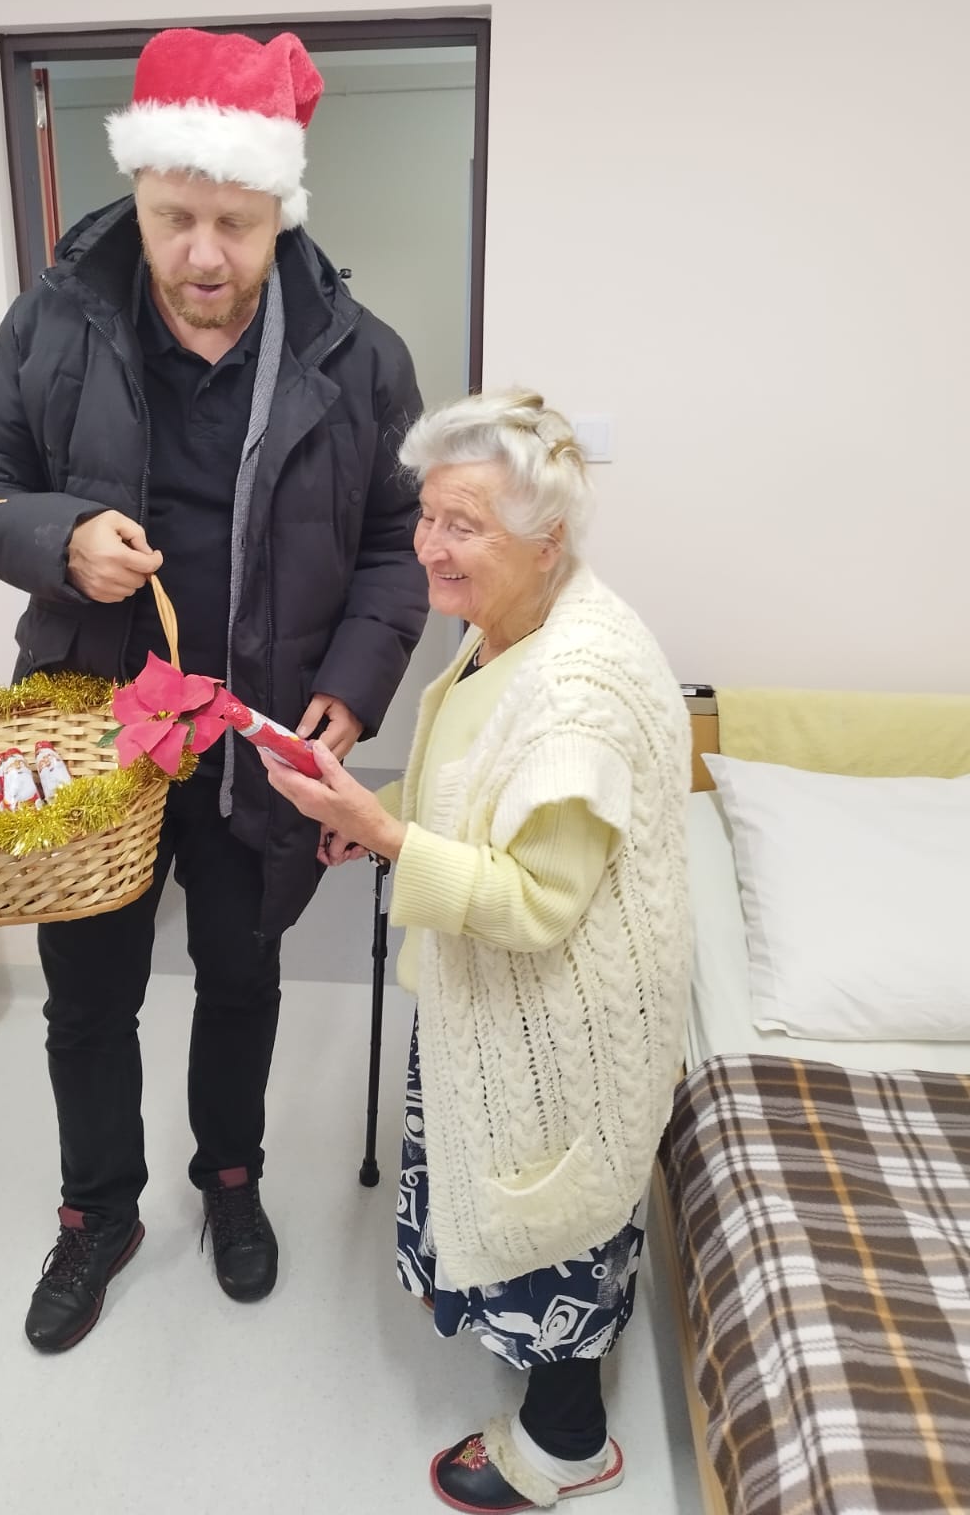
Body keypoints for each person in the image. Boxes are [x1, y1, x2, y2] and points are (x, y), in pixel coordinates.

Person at [0, 28, 427, 1351]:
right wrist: (61, 542)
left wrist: (352, 687)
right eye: (176, 218)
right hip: (95, 733)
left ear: (280, 211)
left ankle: (231, 1177)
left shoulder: (360, 354)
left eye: (236, 223)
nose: (204, 254)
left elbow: (397, 543)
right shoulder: (52, 323)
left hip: (258, 735)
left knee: (242, 970)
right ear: (140, 195)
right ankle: (98, 1213)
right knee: (88, 993)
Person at [262, 390, 692, 1511]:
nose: (429, 546)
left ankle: (566, 1447)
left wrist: (388, 835)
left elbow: (537, 903)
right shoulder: (509, 626)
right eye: (427, 515)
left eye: (464, 526)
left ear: (548, 541)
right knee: (496, 1183)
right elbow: (477, 788)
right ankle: (505, 1327)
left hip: (560, 1022)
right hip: (483, 996)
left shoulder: (577, 693)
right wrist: (384, 816)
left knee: (554, 1218)